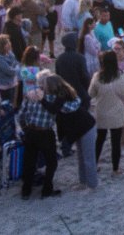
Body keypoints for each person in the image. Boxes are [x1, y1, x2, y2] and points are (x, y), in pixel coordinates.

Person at [17, 71, 80, 200]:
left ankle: (26, 191)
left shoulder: (30, 94)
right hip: (45, 132)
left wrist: (25, 128)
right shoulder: (53, 98)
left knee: (29, 162)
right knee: (51, 162)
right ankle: (47, 190)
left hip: (30, 131)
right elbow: (70, 107)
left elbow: (21, 115)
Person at [89, 51, 124, 175]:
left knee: (99, 140)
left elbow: (91, 93)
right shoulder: (123, 75)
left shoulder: (97, 77)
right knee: (115, 142)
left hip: (101, 111)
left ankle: (94, 165)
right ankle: (115, 169)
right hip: (117, 112)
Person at [0, 35, 20, 107]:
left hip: (12, 83)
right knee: (6, 105)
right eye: (7, 43)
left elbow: (16, 63)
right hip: (4, 86)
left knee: (12, 103)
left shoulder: (9, 54)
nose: (9, 44)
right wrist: (17, 68)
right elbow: (10, 71)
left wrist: (15, 67)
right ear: (1, 46)